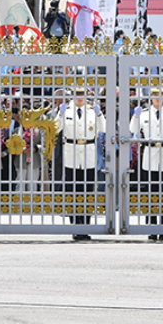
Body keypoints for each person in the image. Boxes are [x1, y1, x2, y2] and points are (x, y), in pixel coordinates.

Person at [55, 88, 104, 240]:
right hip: (72, 152)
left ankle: (86, 226)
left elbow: (104, 128)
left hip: (88, 152)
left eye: (83, 95)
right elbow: (56, 128)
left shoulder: (91, 111)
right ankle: (75, 226)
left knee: (87, 191)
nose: (80, 98)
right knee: (72, 191)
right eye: (77, 95)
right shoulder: (67, 110)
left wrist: (100, 114)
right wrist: (60, 113)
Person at [130, 88, 163, 240]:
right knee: (150, 194)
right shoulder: (144, 113)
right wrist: (135, 117)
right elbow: (133, 130)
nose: (158, 99)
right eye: (155, 96)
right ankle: (151, 227)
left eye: (161, 96)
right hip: (150, 156)